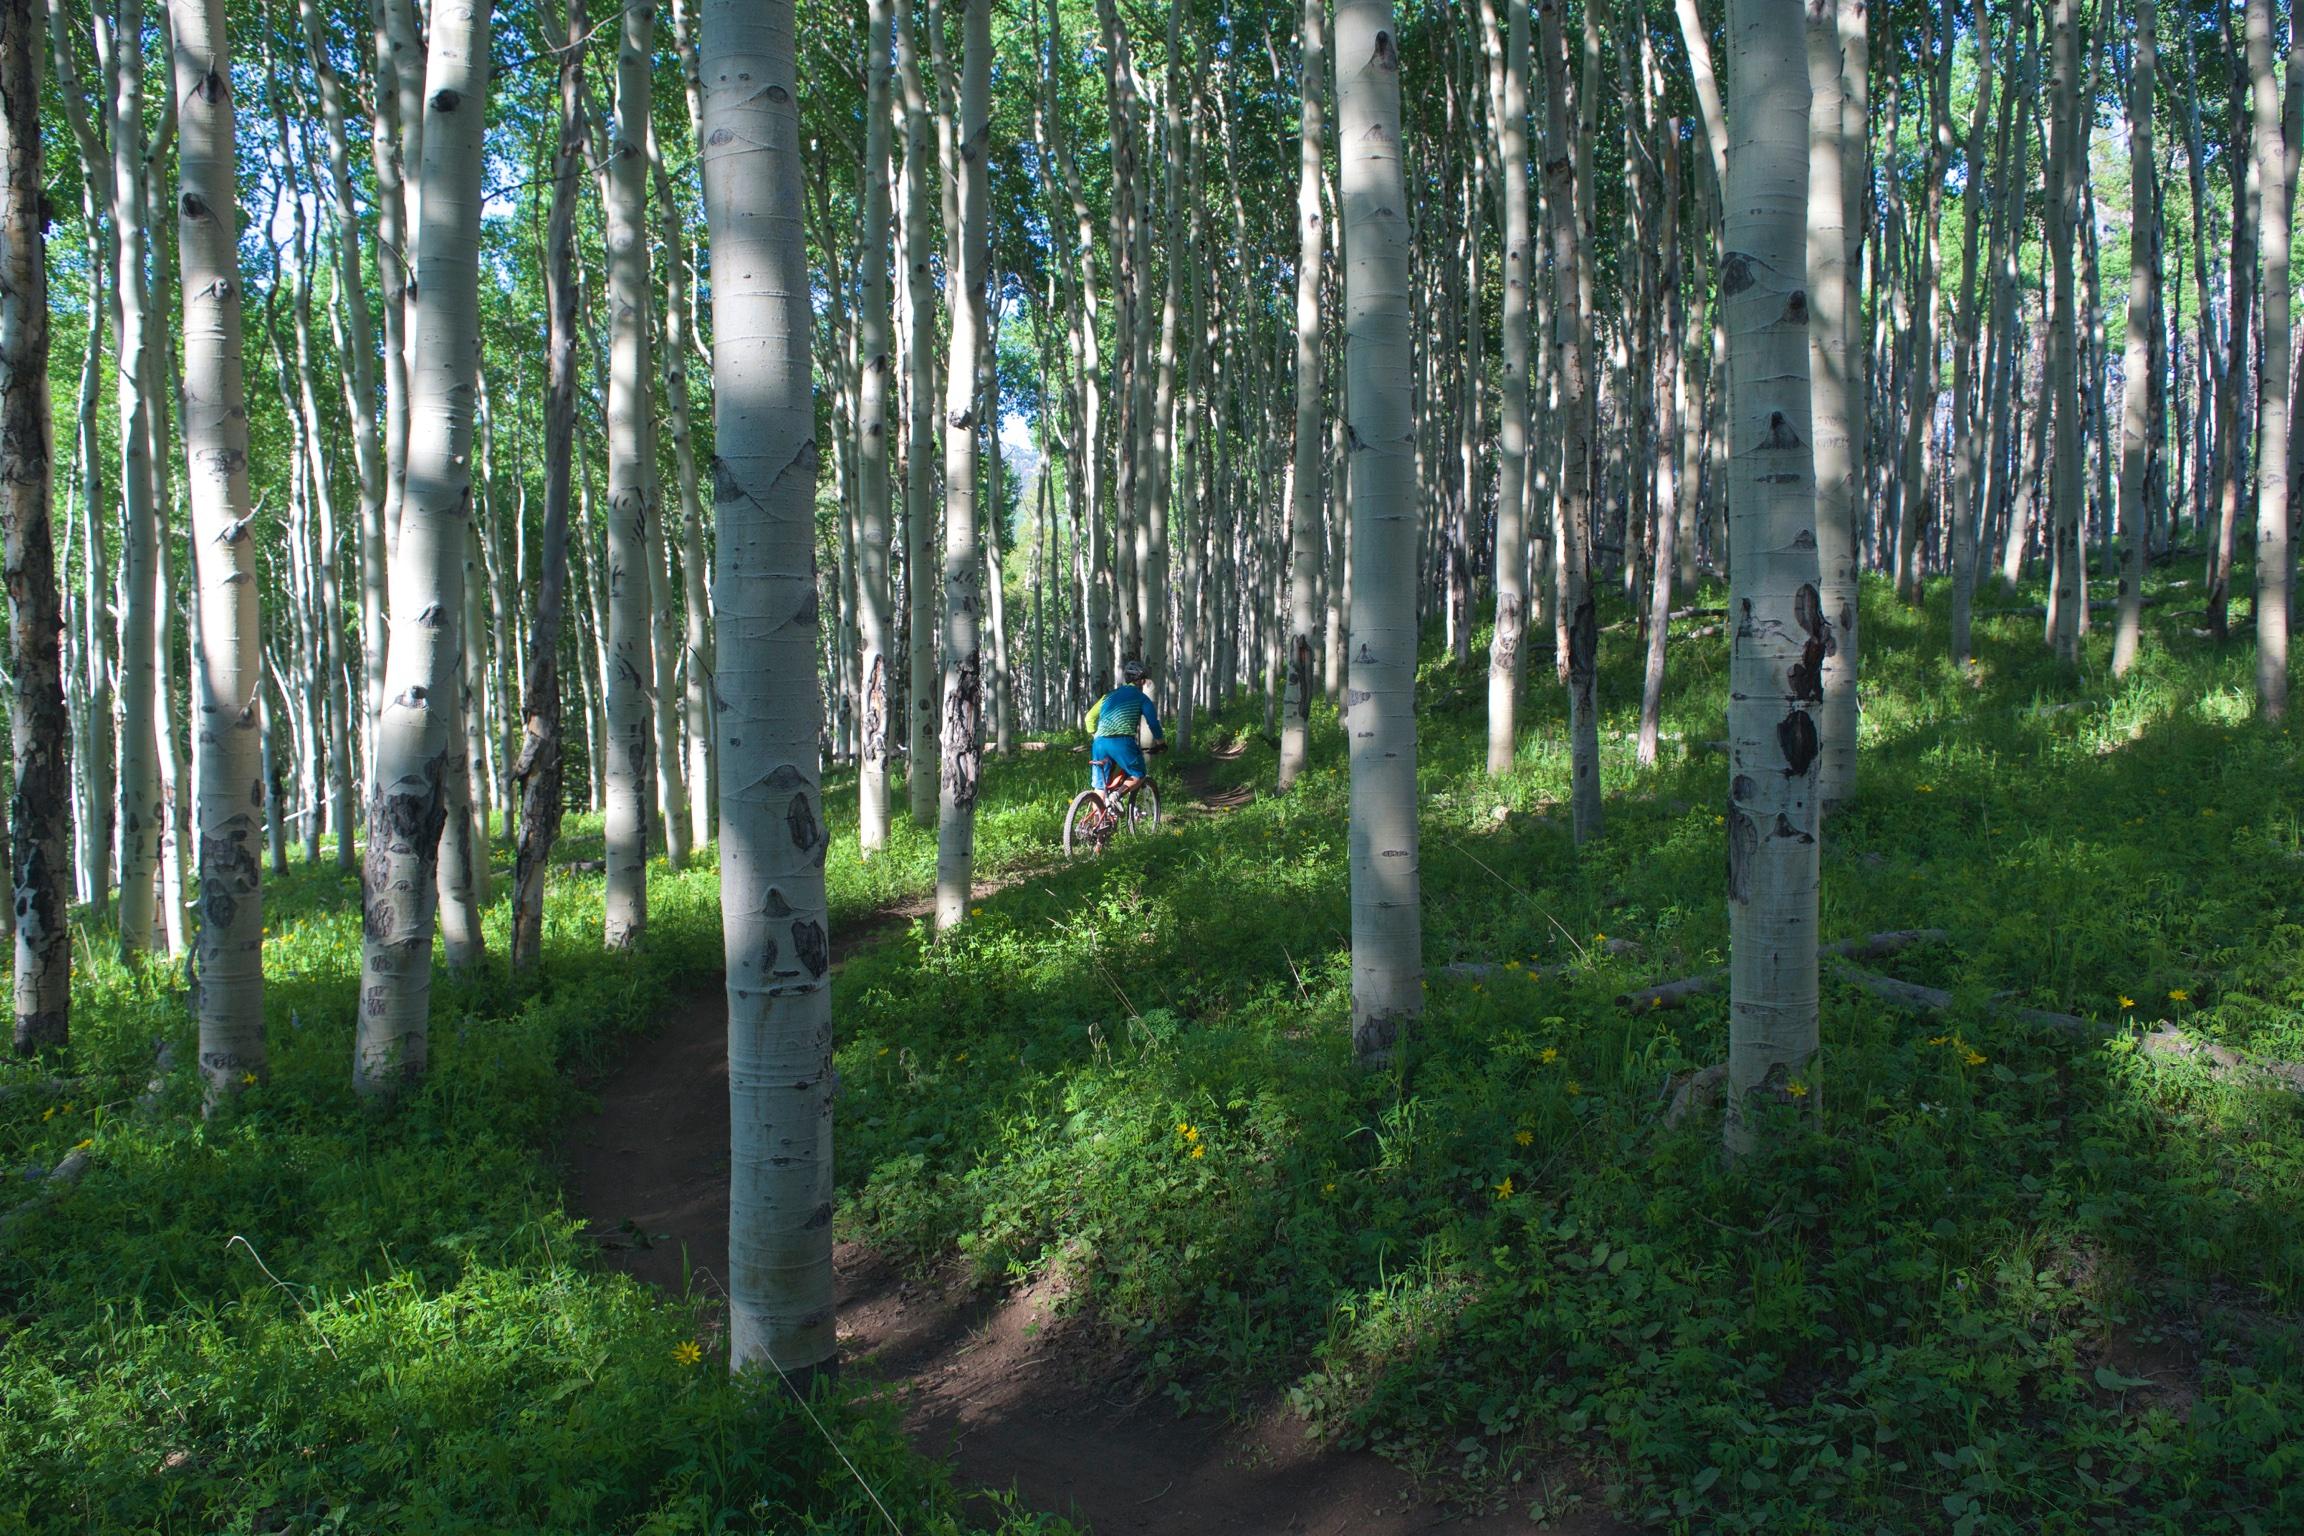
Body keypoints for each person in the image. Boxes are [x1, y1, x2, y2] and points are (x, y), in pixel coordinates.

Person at [1084, 660, 1165, 797]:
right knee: (1138, 773)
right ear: (1141, 681)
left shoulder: (1107, 697)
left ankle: (1099, 818)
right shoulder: (1142, 698)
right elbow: (1153, 723)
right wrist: (1161, 743)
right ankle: (1117, 796)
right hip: (1122, 742)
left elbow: (1089, 718)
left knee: (1099, 786)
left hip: (1099, 744)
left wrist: (1096, 735)